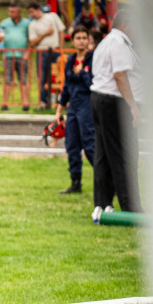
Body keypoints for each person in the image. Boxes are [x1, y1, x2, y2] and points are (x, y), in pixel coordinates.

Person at [90, 11, 142, 218]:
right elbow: (120, 76)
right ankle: (130, 205)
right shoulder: (120, 43)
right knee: (124, 154)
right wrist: (132, 104)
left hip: (100, 98)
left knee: (103, 154)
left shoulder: (106, 42)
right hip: (114, 101)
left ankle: (102, 203)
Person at [55, 26, 96, 194]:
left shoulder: (93, 59)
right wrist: (59, 109)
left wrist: (82, 74)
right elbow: (66, 87)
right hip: (73, 106)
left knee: (90, 145)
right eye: (78, 38)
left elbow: (94, 83)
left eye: (84, 38)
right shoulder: (70, 60)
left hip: (87, 105)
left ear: (88, 40)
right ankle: (75, 182)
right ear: (72, 41)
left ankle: (106, 182)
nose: (81, 41)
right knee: (72, 145)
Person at [28, 1, 65, 109]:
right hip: (42, 52)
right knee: (42, 77)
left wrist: (61, 47)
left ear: (38, 9)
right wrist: (45, 33)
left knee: (59, 76)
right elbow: (33, 42)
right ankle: (43, 101)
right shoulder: (32, 24)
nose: (31, 15)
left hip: (55, 50)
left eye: (32, 12)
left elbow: (61, 31)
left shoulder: (52, 16)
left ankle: (60, 101)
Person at [0, 3, 30, 110]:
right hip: (8, 55)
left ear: (19, 12)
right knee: (7, 79)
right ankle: (5, 103)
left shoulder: (27, 23)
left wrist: (28, 53)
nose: (10, 13)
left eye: (12, 12)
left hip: (22, 55)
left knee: (23, 79)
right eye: (9, 11)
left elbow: (31, 39)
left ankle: (25, 103)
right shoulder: (5, 23)